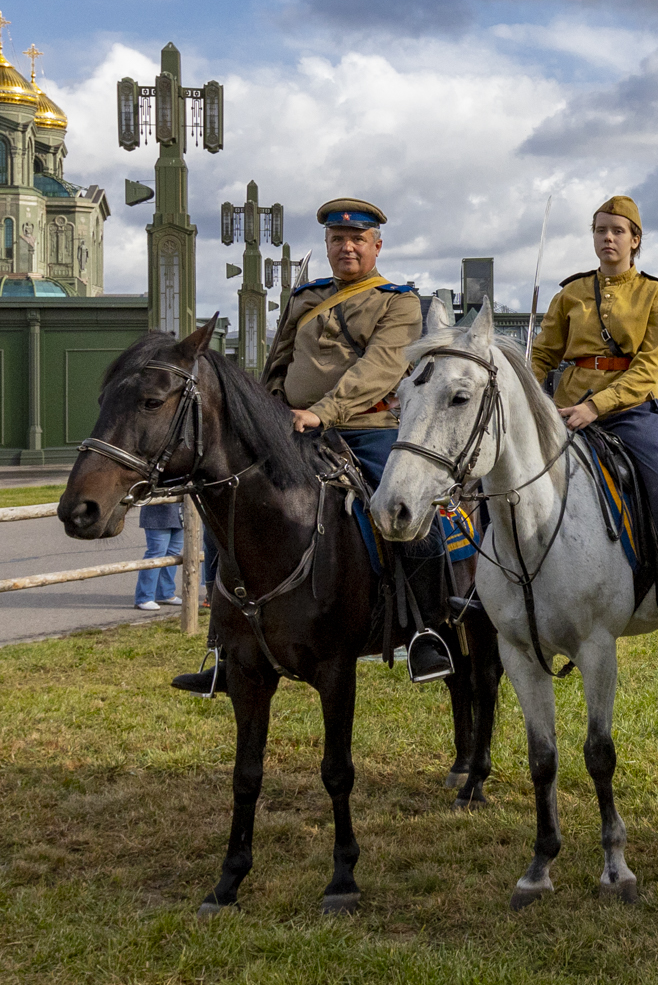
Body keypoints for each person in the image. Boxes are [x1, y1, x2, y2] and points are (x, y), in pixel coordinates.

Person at [235, 193, 449, 686]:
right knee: (232, 500)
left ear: (377, 245)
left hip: (367, 429)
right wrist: (267, 414)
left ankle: (426, 630)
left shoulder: (398, 301)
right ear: (327, 246)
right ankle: (228, 642)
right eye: (337, 240)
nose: (347, 247)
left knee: (409, 517)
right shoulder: (305, 297)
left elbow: (380, 370)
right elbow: (279, 363)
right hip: (293, 426)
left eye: (357, 239)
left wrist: (321, 413)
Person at [528, 194, 658, 640]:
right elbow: (543, 355)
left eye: (617, 231)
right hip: (565, 407)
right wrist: (528, 398)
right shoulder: (570, 292)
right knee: (504, 468)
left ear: (635, 240)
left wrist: (596, 407)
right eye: (600, 230)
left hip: (630, 410)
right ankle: (488, 583)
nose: (608, 238)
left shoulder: (655, 295)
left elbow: (649, 368)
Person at [134, 494, 185, 611]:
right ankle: (144, 597)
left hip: (180, 513)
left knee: (173, 553)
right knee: (156, 553)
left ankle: (165, 593)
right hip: (156, 514)